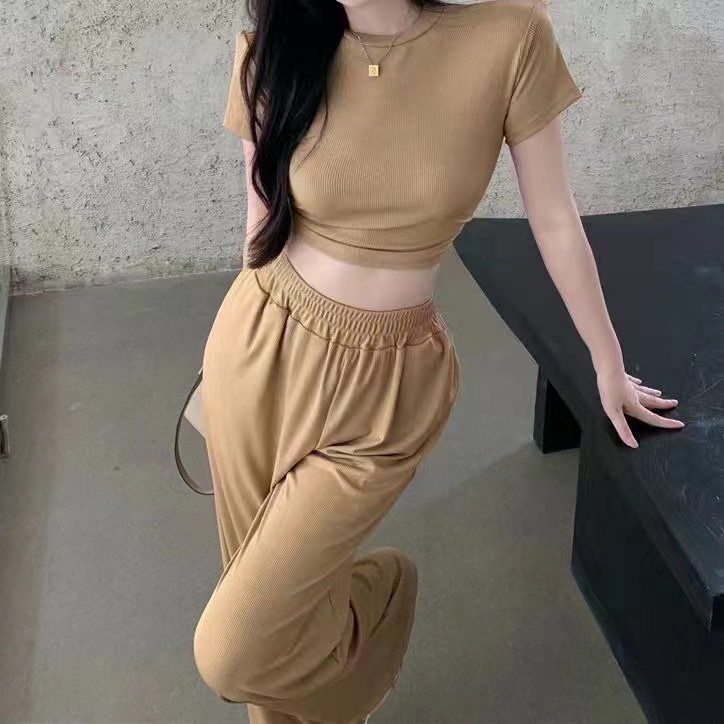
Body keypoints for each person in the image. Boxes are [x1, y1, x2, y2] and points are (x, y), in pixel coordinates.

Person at [193, 1, 685, 722]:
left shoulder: (508, 39)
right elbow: (260, 227)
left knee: (235, 652)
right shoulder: (272, 47)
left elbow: (554, 220)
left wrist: (607, 362)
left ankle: (383, 595)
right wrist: (231, 365)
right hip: (255, 349)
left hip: (389, 385)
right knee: (271, 620)